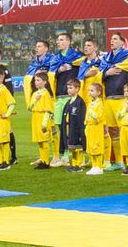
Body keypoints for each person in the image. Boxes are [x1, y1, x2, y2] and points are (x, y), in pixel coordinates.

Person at [99, 32, 128, 172]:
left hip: (122, 98)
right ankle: (120, 162)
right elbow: (99, 74)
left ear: (123, 42)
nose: (112, 41)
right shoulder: (106, 59)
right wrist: (106, 73)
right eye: (111, 39)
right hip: (109, 99)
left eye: (115, 39)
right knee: (113, 131)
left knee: (126, 130)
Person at [51, 32, 84, 167]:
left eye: (61, 40)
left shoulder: (78, 57)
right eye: (58, 40)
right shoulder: (55, 59)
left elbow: (85, 68)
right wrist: (59, 70)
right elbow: (51, 75)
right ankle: (64, 155)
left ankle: (77, 155)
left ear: (69, 42)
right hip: (59, 96)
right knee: (60, 126)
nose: (58, 42)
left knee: (74, 126)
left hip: (72, 97)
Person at [28, 72, 55, 169]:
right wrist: (35, 100)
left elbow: (48, 110)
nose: (36, 82)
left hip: (42, 117)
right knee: (39, 141)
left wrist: (44, 123)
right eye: (35, 80)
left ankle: (46, 162)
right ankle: (42, 160)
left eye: (38, 80)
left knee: (44, 141)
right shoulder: (35, 93)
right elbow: (29, 108)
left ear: (45, 82)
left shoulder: (46, 94)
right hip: (35, 117)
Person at [61, 77, 86, 172]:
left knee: (78, 147)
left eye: (71, 88)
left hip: (76, 128)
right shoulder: (69, 101)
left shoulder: (80, 102)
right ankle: (74, 164)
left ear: (77, 89)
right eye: (68, 88)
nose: (68, 90)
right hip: (70, 127)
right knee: (72, 147)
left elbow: (81, 117)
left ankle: (79, 165)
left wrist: (81, 130)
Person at [84, 82, 106, 176]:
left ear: (99, 92)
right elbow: (87, 115)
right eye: (89, 90)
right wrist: (85, 125)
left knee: (97, 146)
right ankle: (94, 166)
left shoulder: (100, 104)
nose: (89, 92)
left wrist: (92, 113)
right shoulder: (90, 103)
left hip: (96, 128)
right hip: (90, 127)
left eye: (92, 90)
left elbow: (98, 117)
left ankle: (99, 167)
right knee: (91, 147)